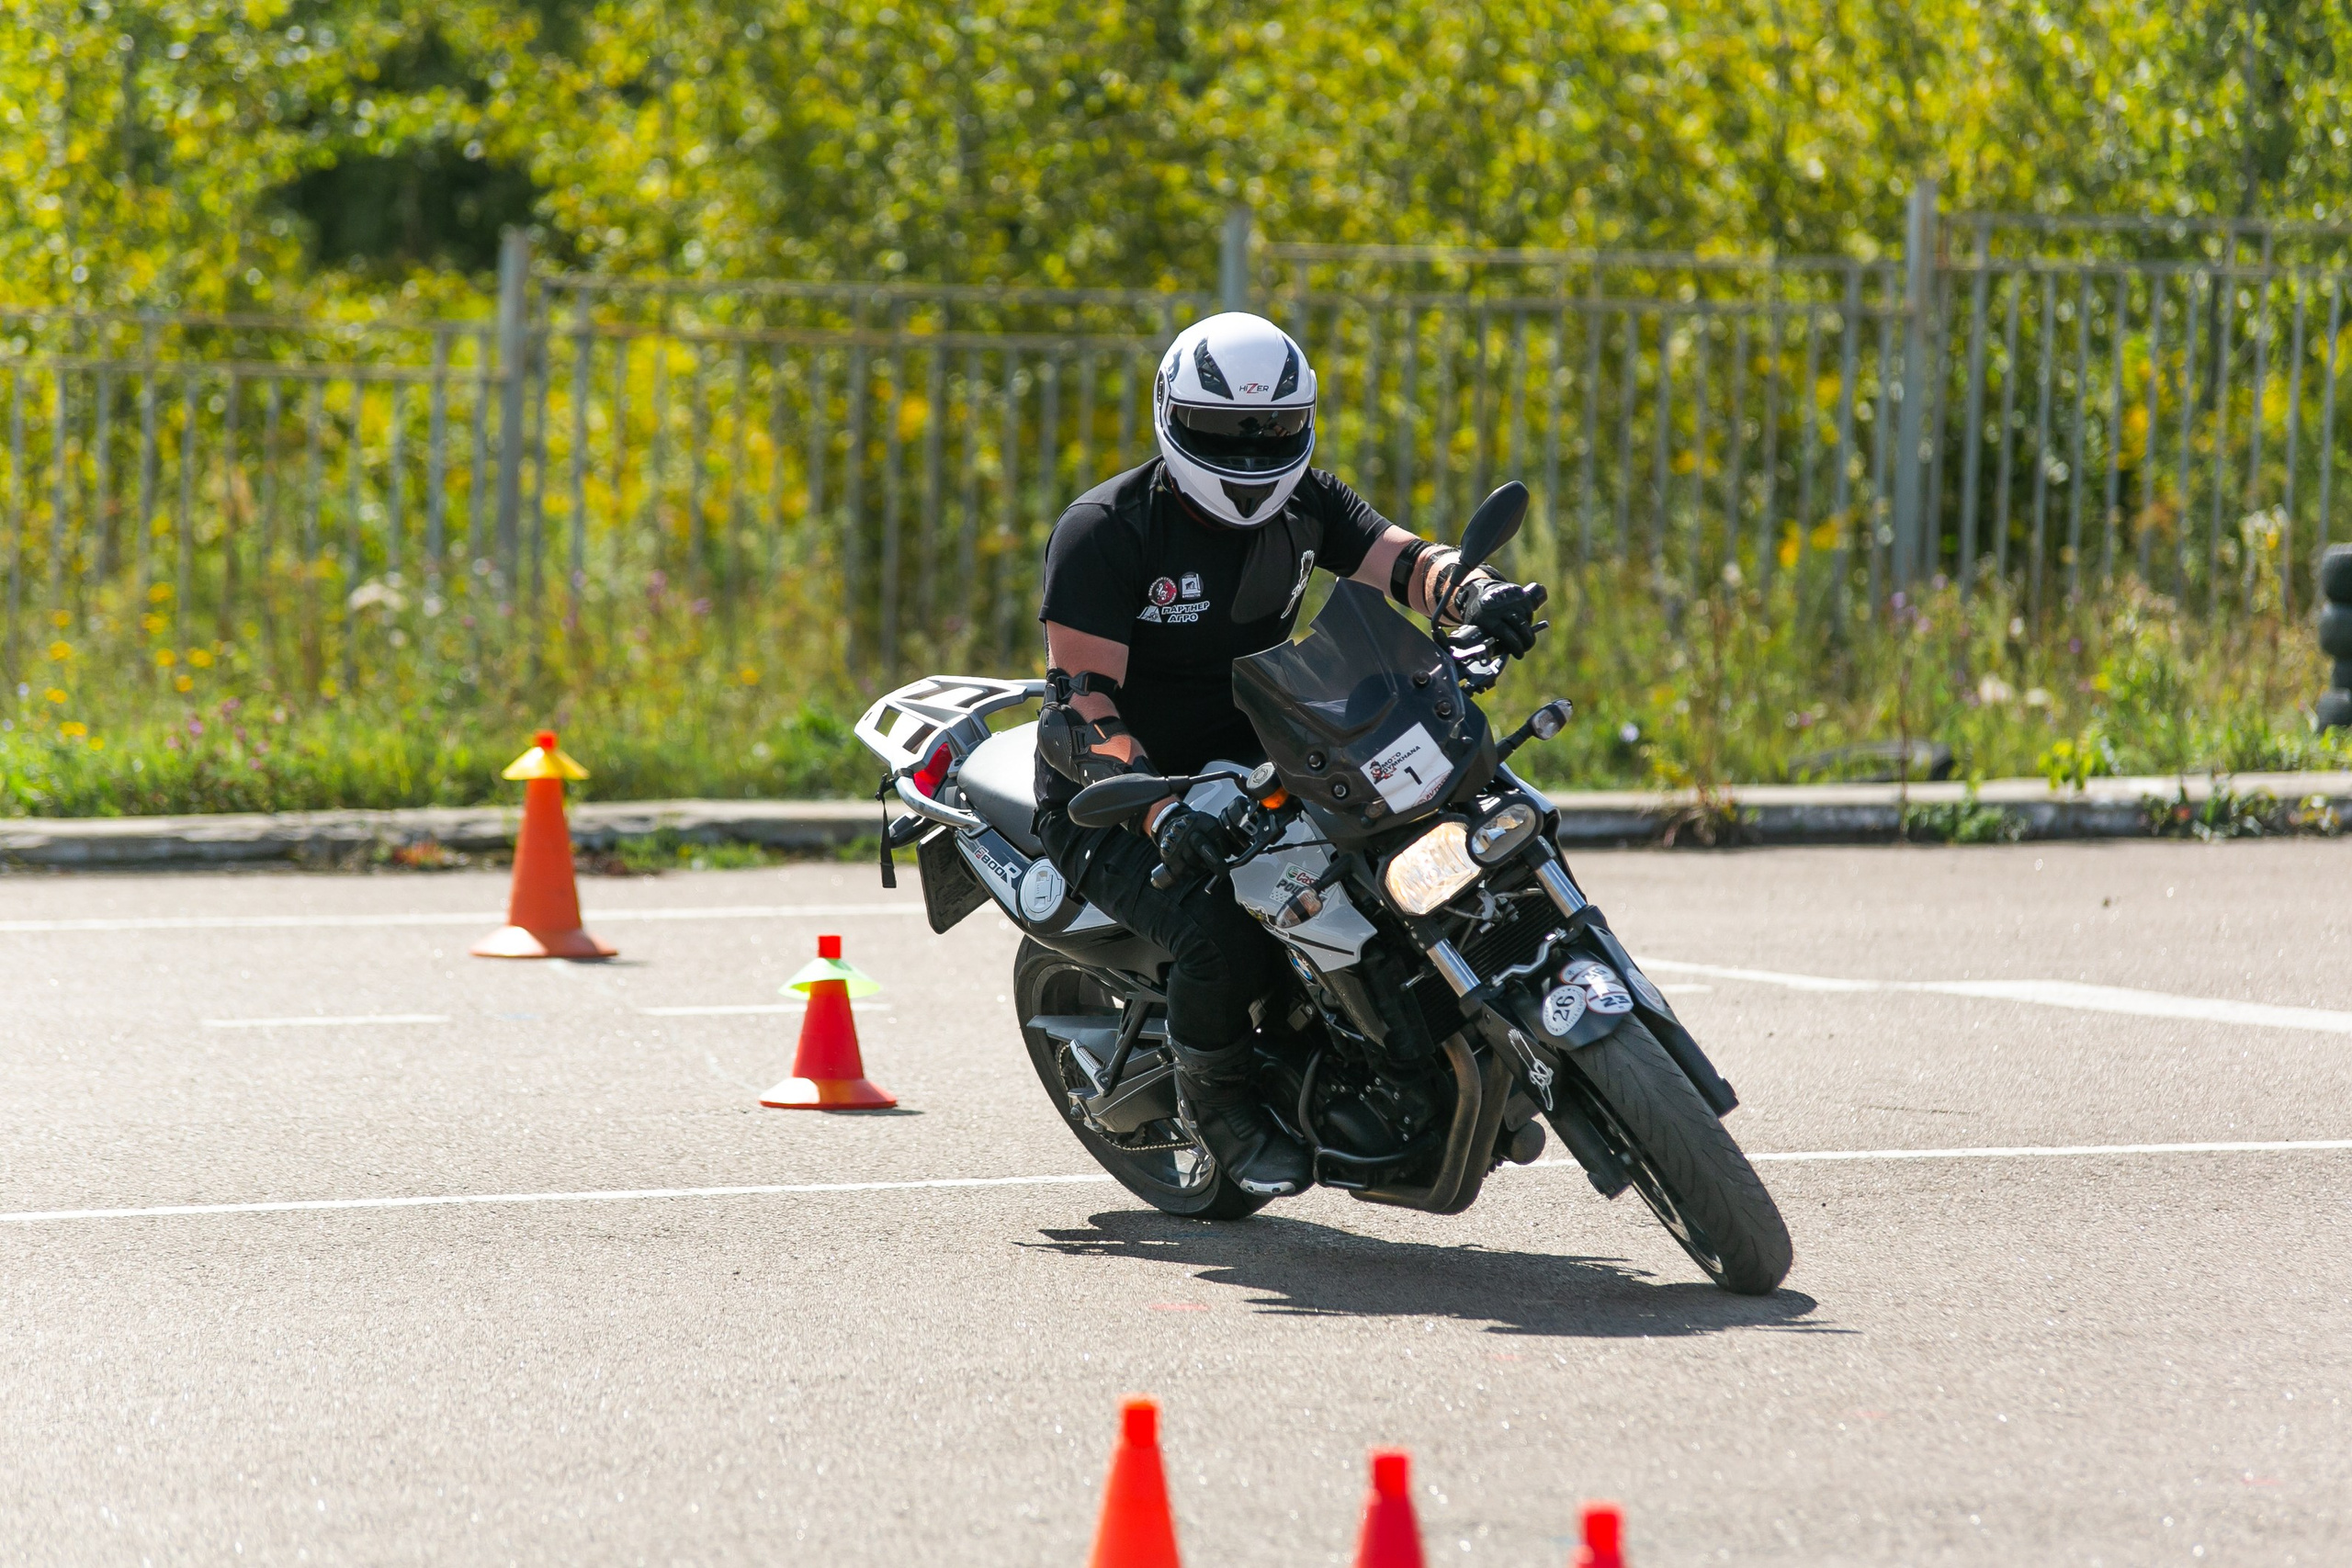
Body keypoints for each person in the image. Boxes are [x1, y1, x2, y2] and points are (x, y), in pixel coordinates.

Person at [1032, 311, 1546, 1198]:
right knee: (1219, 933)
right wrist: (1158, 807)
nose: (1251, 450)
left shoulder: (1310, 500)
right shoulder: (1107, 530)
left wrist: (1477, 592)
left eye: (1272, 429)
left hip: (1268, 758)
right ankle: (1221, 1108)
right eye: (1224, 430)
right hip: (1116, 793)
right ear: (1172, 415)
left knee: (1421, 836)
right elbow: (1082, 707)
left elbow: (1408, 562)